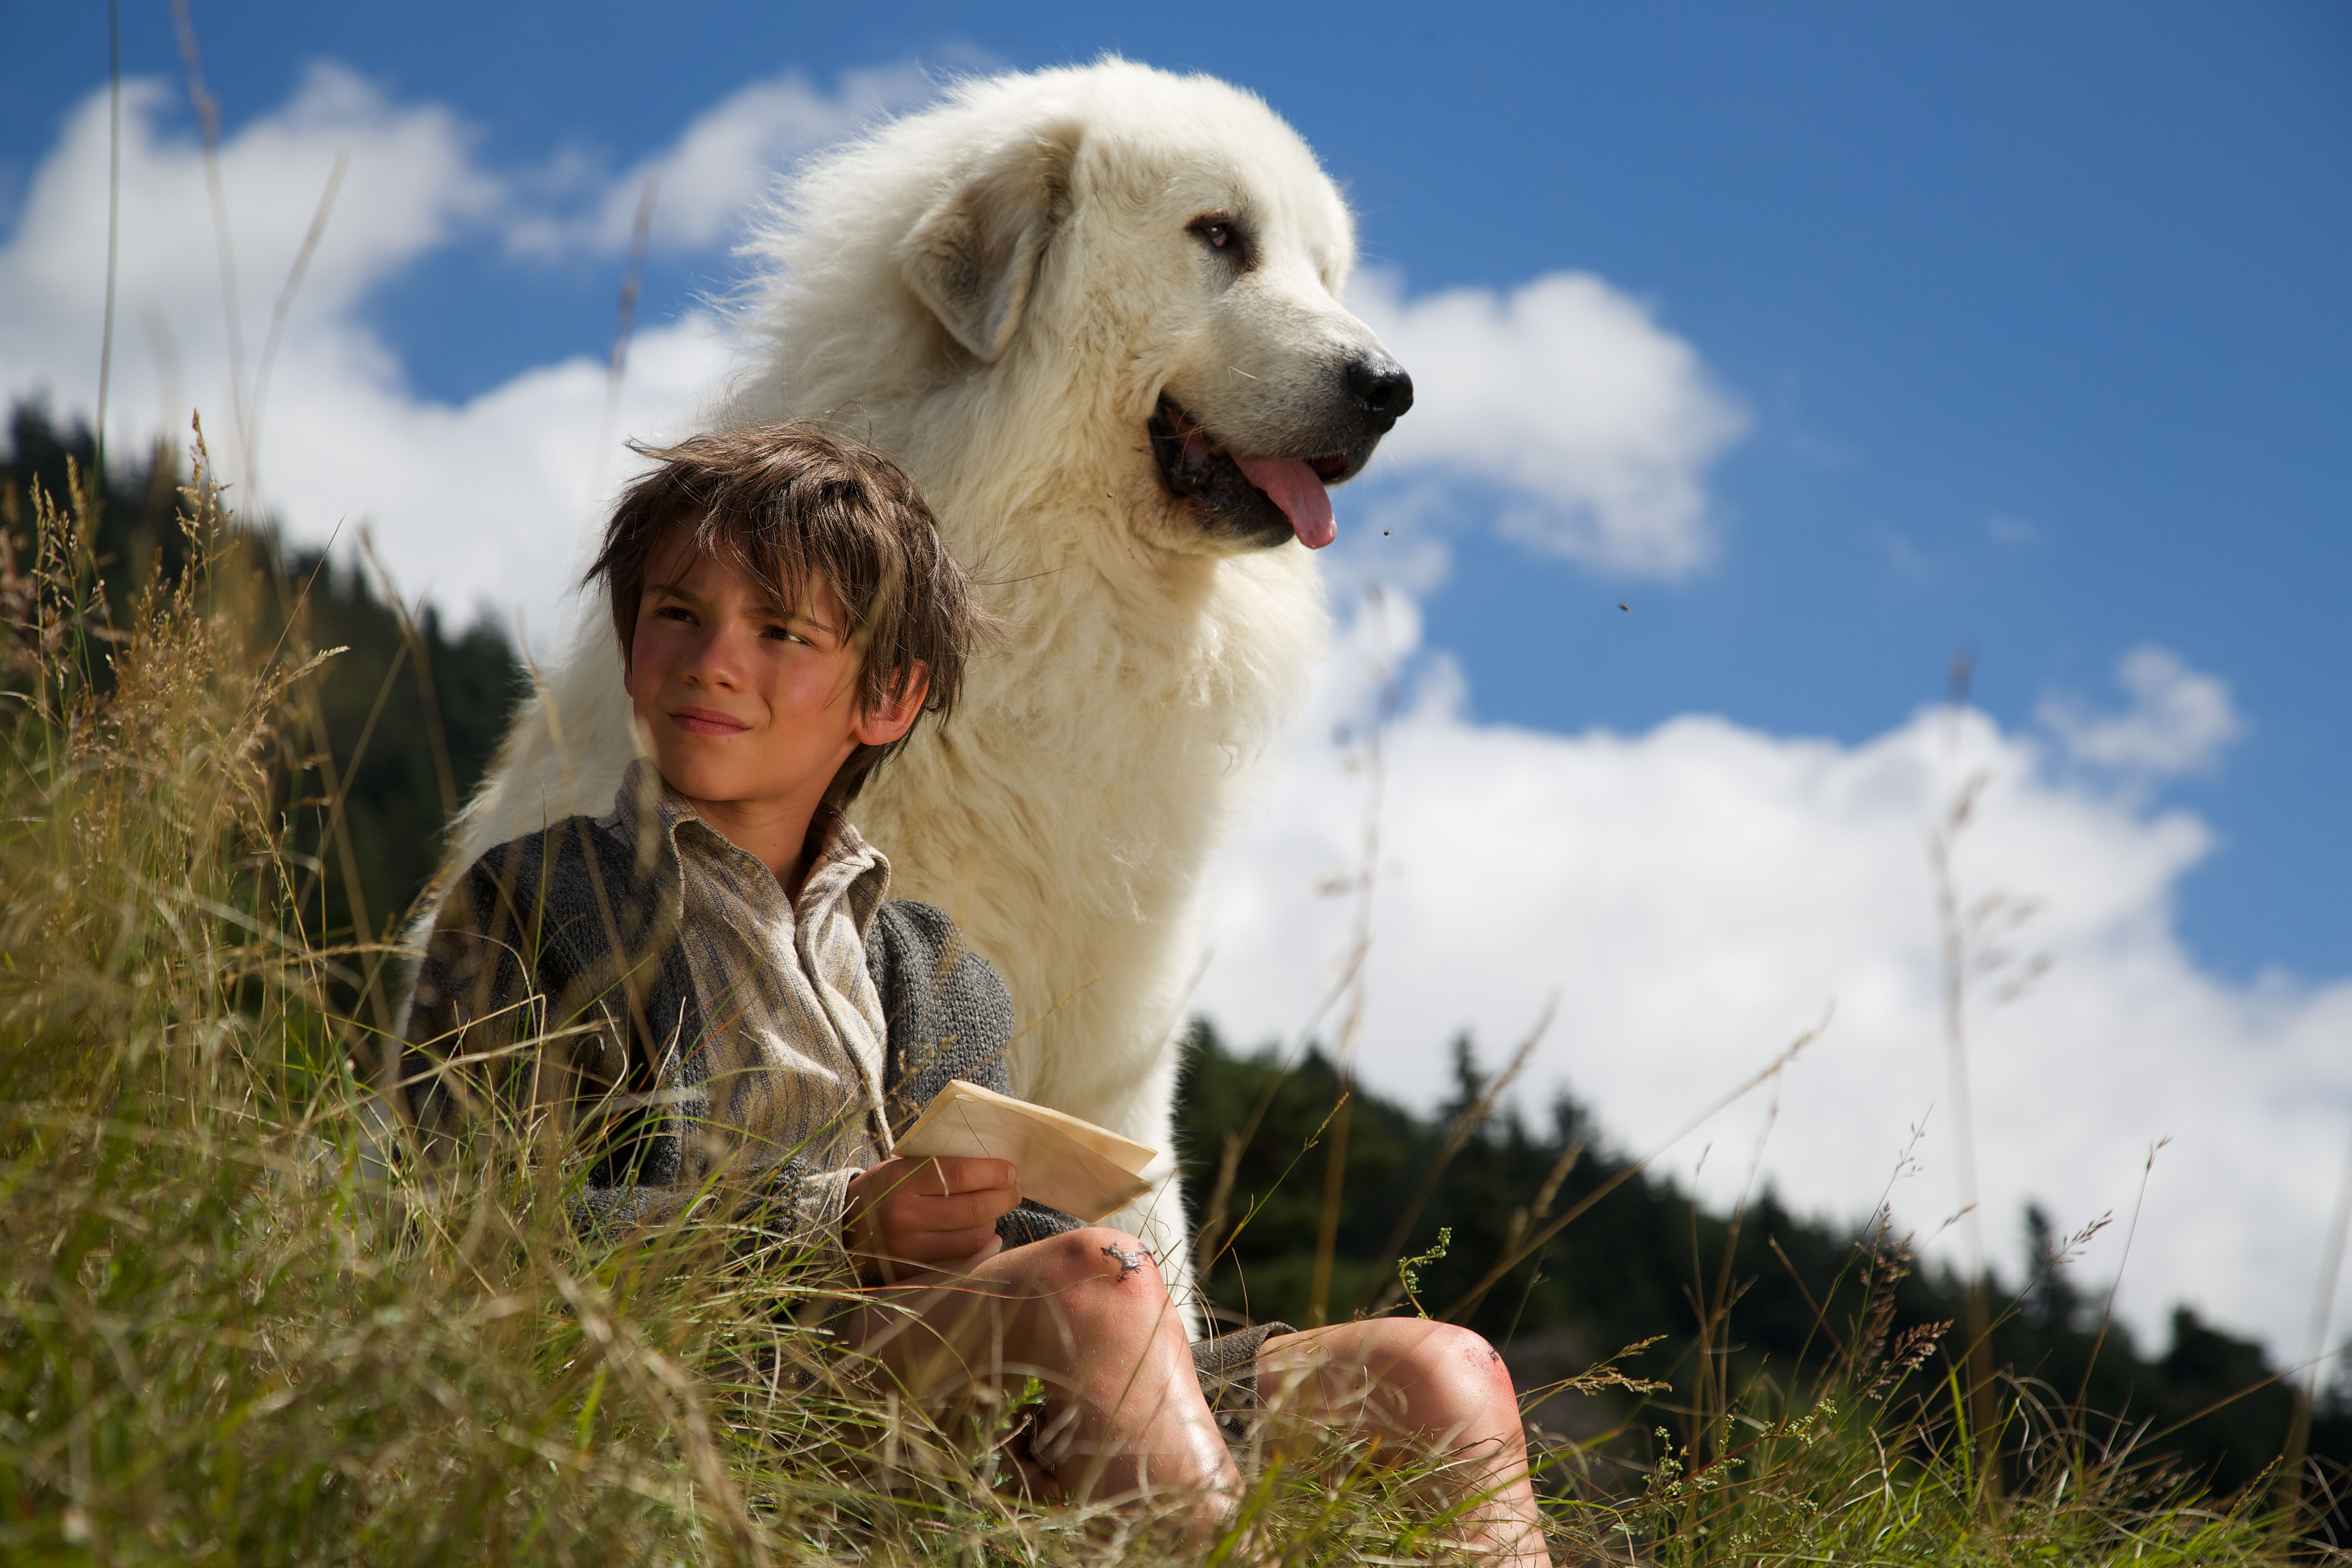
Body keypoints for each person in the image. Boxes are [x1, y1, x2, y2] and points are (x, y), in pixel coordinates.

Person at [398, 422, 1550, 1562]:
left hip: (971, 1382)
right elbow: (465, 1234)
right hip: (734, 1400)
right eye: (677, 615)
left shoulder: (933, 968)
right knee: (1100, 1282)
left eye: (783, 631)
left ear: (887, 699)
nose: (714, 661)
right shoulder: (537, 902)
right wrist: (832, 1223)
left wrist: (980, 1226)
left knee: (1440, 1370)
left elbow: (1039, 1248)